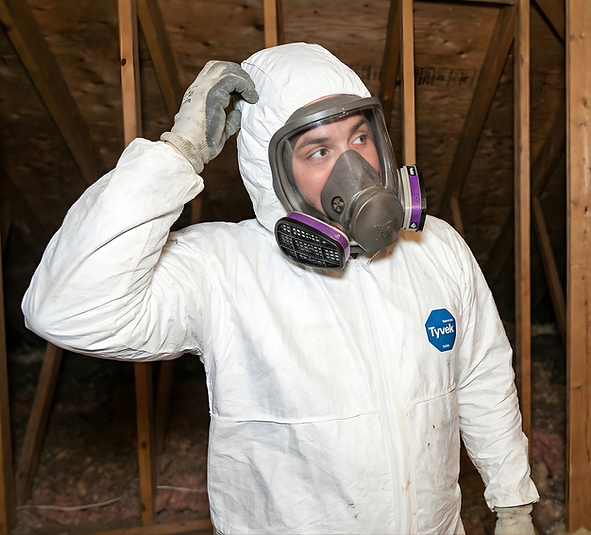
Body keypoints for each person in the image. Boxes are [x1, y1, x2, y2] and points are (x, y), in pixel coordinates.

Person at [22, 42, 538, 534]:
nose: (353, 168)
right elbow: (65, 308)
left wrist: (513, 503)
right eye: (318, 151)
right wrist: (176, 155)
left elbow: (481, 373)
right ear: (274, 175)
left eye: (359, 138)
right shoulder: (223, 269)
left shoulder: (435, 247)